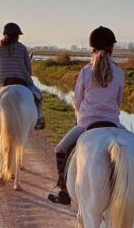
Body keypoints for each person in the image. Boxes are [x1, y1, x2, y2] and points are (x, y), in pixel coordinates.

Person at [48, 26, 123, 205]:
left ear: (92, 48)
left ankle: (64, 190)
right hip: (113, 124)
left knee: (60, 149)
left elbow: (77, 101)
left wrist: (82, 118)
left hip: (87, 124)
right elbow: (119, 102)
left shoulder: (86, 71)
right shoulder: (119, 72)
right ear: (111, 48)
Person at [0, 22, 45, 130]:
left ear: (5, 34)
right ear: (17, 35)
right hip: (22, 81)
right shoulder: (22, 48)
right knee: (39, 96)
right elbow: (28, 67)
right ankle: (39, 120)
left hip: (5, 82)